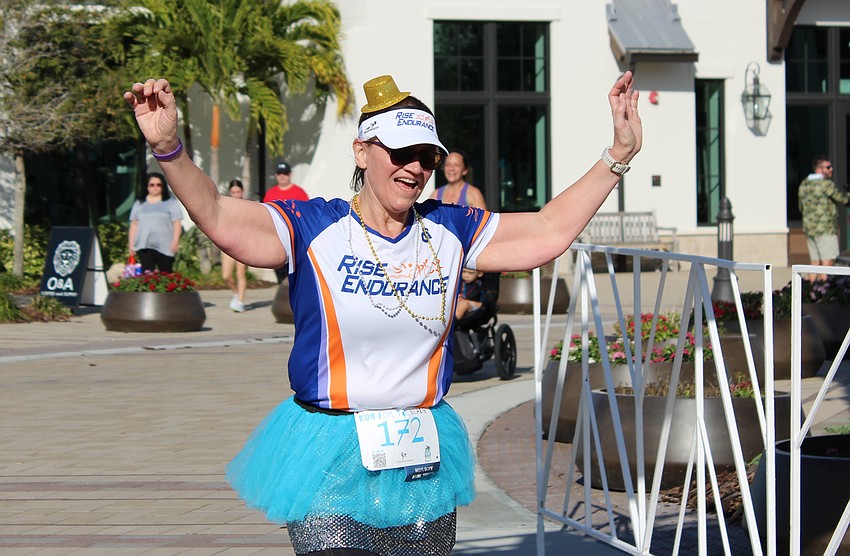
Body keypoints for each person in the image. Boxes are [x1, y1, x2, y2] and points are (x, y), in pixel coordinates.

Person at [123, 71, 641, 556]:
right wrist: (169, 149)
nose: (414, 167)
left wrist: (617, 155)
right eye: (400, 151)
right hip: (329, 448)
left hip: (421, 451)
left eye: (427, 157)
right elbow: (214, 211)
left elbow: (549, 230)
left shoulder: (450, 229)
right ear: (362, 151)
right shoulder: (313, 225)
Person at [798, 155, 849, 281]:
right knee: (828, 263)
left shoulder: (804, 184)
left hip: (809, 229)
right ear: (819, 168)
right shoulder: (826, 184)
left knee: (814, 263)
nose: (831, 169)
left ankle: (811, 292)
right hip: (825, 229)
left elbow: (801, 207)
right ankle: (824, 294)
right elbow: (842, 199)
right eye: (828, 167)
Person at [263, 162, 309, 282]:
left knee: (295, 273)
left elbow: (306, 213)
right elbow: (265, 214)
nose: (282, 176)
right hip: (276, 237)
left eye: (285, 173)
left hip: (294, 238)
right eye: (279, 173)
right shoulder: (271, 193)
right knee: (280, 271)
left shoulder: (299, 192)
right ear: (276, 175)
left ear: (290, 175)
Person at [128, 172, 183, 273]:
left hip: (165, 245)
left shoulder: (171, 203)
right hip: (144, 245)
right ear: (147, 186)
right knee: (147, 274)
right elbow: (134, 224)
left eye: (158, 185)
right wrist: (131, 244)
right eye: (152, 185)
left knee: (166, 274)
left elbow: (177, 223)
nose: (155, 187)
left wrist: (175, 241)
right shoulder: (139, 203)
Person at [222, 179, 249, 312]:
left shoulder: (248, 205)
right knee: (226, 275)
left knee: (241, 272)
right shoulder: (225, 206)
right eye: (233, 192)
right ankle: (235, 293)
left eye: (238, 192)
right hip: (228, 242)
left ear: (242, 192)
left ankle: (240, 301)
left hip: (244, 242)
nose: (236, 194)